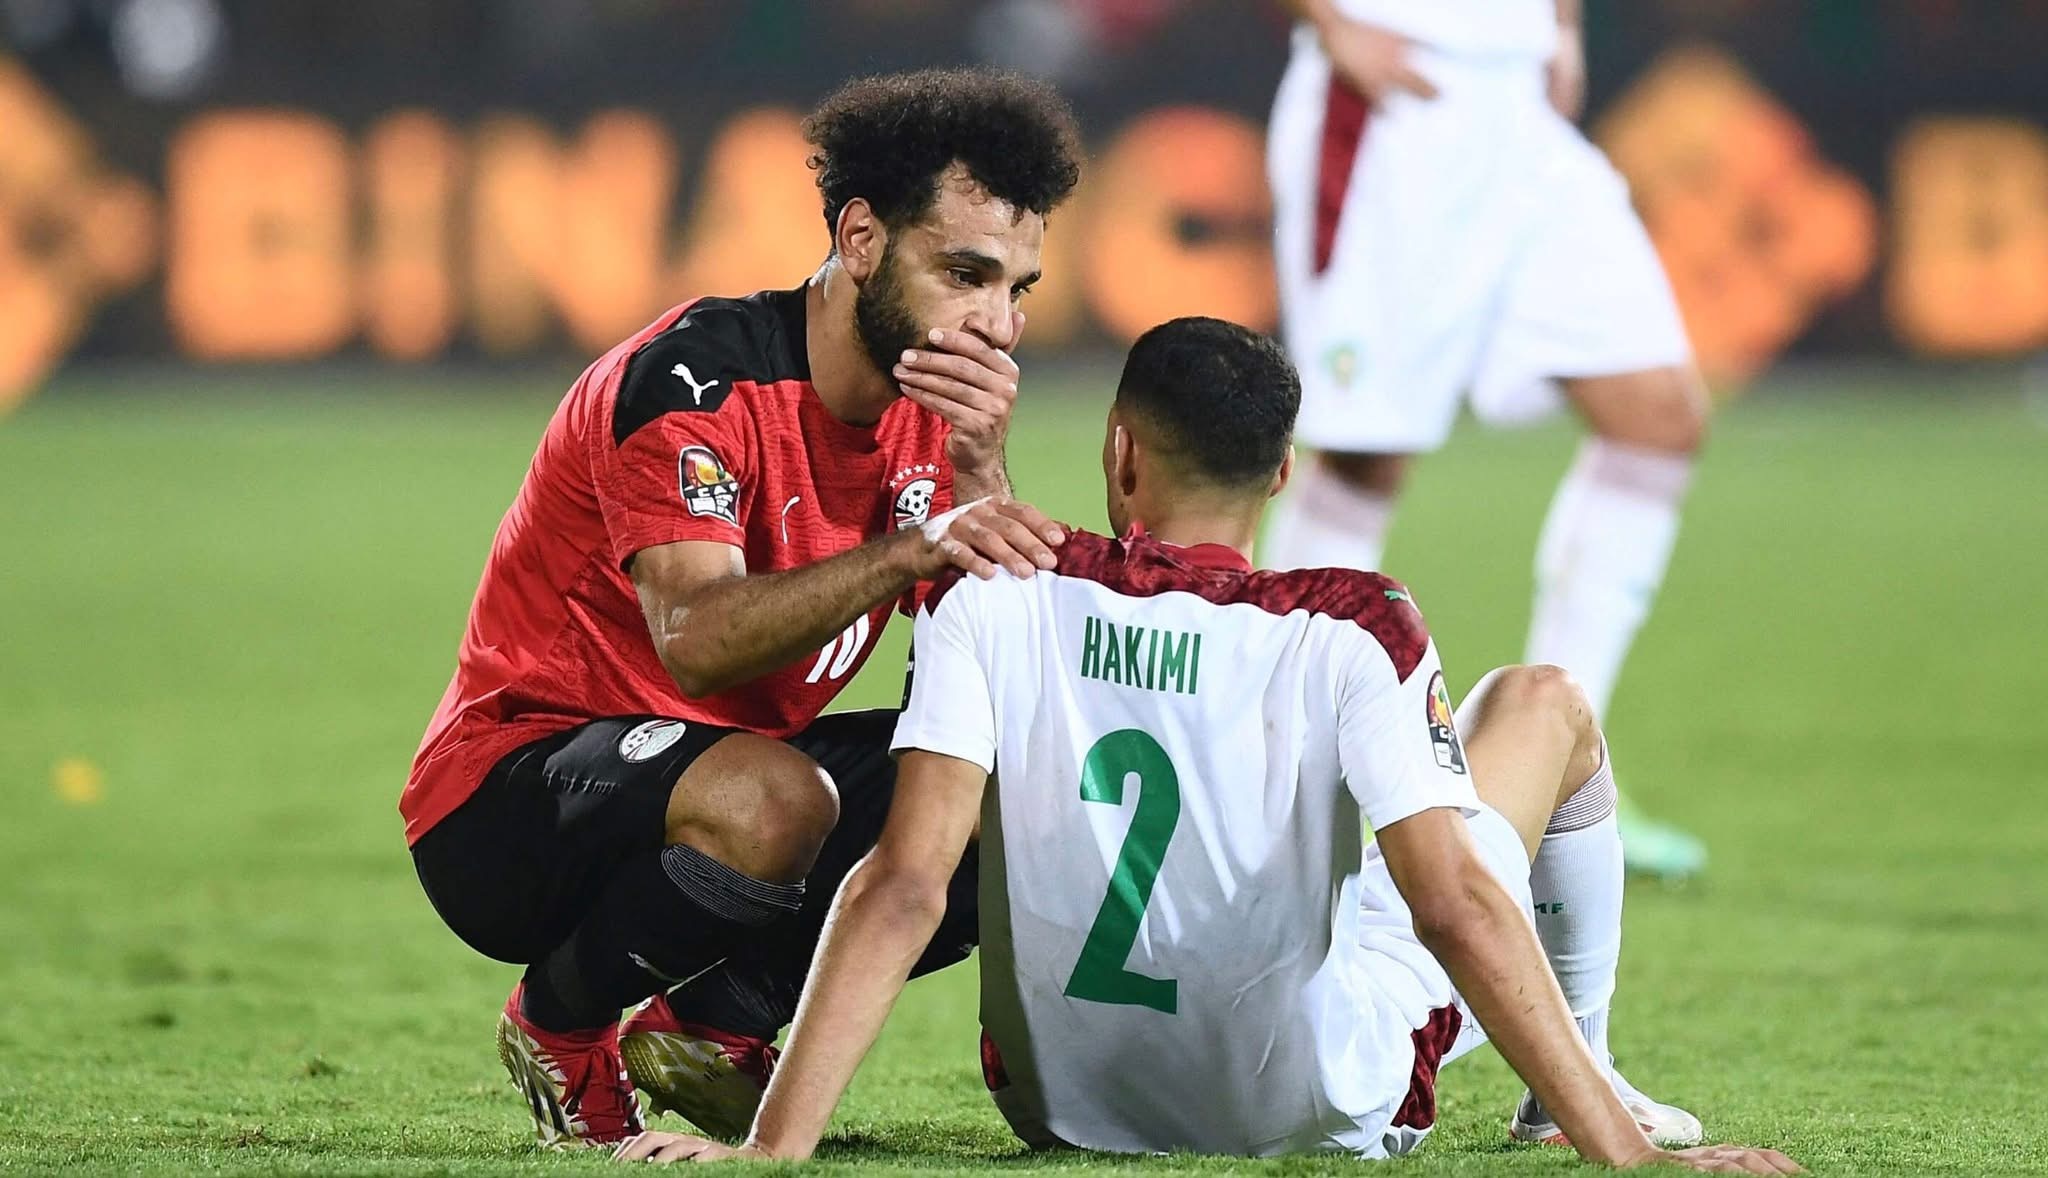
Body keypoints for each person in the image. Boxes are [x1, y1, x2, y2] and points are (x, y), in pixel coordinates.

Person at [614, 318, 1799, 1172]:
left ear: (1119, 451)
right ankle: (1581, 1089)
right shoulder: (1353, 623)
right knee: (1540, 703)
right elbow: (1456, 908)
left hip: (1059, 1104)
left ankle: (1566, 1078)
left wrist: (772, 1149)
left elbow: (904, 882)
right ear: (1281, 473)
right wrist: (1632, 1164)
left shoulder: (990, 591)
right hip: (1310, 1107)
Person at [399, 67, 1082, 1149]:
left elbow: (998, 676)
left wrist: (979, 476)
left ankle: (715, 1028)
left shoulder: (933, 409)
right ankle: (561, 1024)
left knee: (1021, 792)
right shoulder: (693, 382)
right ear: (861, 238)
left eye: (1017, 289)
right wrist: (915, 546)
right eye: (964, 274)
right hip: (512, 798)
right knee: (775, 800)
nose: (995, 327)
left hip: (737, 783)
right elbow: (700, 641)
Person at [1261, 0, 1709, 879]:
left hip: (1523, 114)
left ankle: (1558, 779)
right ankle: (1272, 782)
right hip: (1396, 102)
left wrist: (1562, 26)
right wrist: (1332, 24)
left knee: (1657, 416)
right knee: (1363, 457)